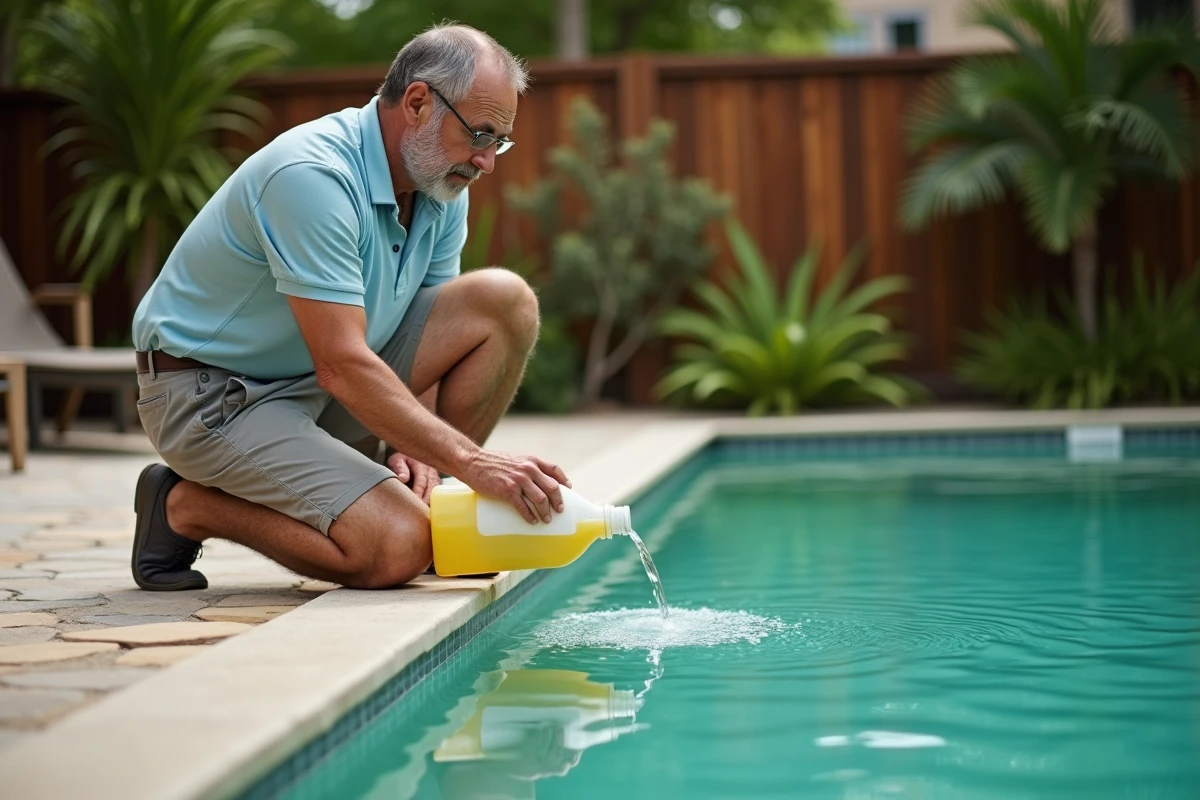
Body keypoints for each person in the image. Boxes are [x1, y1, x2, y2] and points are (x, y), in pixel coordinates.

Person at [129, 23, 570, 592]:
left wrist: (423, 452)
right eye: (480, 135)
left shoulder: (439, 182)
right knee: (398, 547)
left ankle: (444, 511)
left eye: (497, 142)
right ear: (417, 103)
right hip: (214, 398)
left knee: (503, 301)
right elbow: (341, 362)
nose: (487, 162)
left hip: (322, 385)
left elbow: (430, 327)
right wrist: (473, 461)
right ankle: (184, 505)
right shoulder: (313, 177)